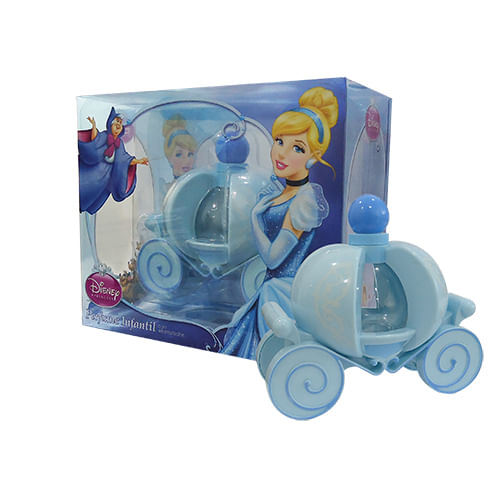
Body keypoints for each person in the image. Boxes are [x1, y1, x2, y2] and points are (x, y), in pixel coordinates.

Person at [221, 87, 339, 359]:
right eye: (279, 141)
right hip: (268, 287)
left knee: (273, 352)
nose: (281, 153)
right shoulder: (281, 192)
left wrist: (254, 219)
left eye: (297, 147)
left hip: (282, 292)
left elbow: (274, 259)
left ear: (313, 157)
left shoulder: (303, 201)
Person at [78, 107, 149, 214]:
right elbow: (95, 140)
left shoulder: (119, 144)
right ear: (110, 124)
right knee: (85, 187)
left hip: (105, 177)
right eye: (116, 122)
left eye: (120, 124)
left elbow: (125, 160)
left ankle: (82, 206)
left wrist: (139, 161)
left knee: (94, 194)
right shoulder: (105, 136)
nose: (118, 125)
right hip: (93, 171)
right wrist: (93, 126)